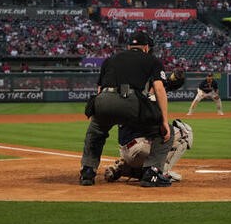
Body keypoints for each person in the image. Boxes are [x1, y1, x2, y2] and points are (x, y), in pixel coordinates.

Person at [79, 31, 173, 187]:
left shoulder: (110, 60)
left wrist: (102, 115)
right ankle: (152, 172)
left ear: (129, 46)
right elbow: (159, 88)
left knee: (95, 132)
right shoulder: (152, 60)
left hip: (103, 100)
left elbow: (100, 89)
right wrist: (163, 120)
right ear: (146, 47)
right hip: (130, 101)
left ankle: (87, 172)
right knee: (164, 130)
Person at [104, 119, 193, 183]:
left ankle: (122, 169)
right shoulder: (144, 102)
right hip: (139, 149)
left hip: (125, 151)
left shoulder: (126, 103)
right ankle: (160, 172)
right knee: (185, 132)